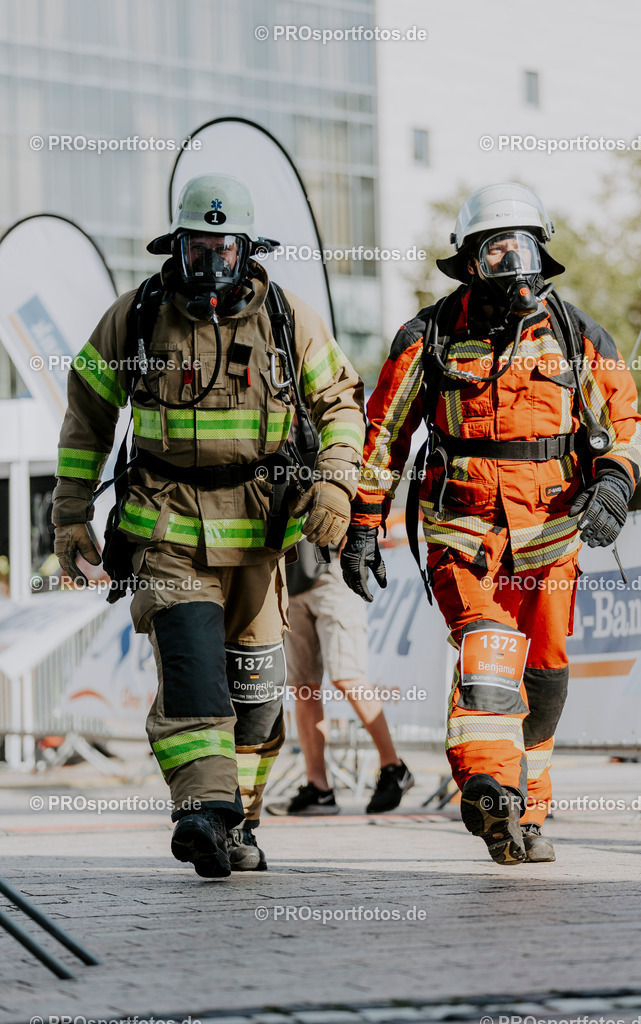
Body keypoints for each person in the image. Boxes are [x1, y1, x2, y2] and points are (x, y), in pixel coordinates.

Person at [52, 173, 365, 878]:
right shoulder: (136, 317)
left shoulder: (288, 317)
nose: (211, 266)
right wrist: (70, 514)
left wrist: (337, 482)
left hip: (261, 537)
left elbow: (342, 404)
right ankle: (203, 811)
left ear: (248, 250)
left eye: (224, 251)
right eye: (198, 251)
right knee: (195, 678)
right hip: (166, 528)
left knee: (255, 703)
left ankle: (239, 821)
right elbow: (87, 417)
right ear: (177, 248)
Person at [341, 182, 641, 864]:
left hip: (552, 535)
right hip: (462, 529)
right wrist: (362, 524)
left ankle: (526, 817)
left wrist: (613, 483)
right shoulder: (427, 336)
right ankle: (485, 784)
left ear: (543, 253)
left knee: (544, 672)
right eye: (494, 249)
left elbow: (626, 423)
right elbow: (382, 436)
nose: (511, 262)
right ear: (468, 260)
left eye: (523, 246)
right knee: (486, 649)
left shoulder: (576, 334)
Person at [266, 538, 414, 816]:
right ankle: (318, 789)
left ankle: (394, 768)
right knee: (303, 687)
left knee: (348, 676)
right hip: (288, 578)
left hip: (333, 571)